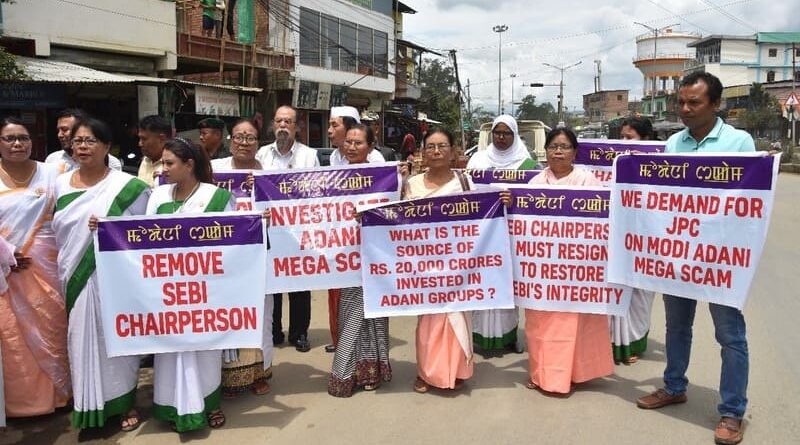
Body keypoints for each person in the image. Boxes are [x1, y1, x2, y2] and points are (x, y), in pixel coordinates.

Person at [636, 71, 755, 445]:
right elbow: (664, 196)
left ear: (716, 105)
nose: (684, 109)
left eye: (694, 103)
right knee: (677, 326)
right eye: (681, 103)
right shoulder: (673, 143)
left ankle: (732, 412)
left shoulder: (739, 142)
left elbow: (749, 202)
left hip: (720, 257)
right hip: (680, 253)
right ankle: (674, 386)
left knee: (729, 334)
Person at [52, 117, 150, 431]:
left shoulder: (128, 187)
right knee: (80, 340)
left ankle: (124, 403)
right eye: (78, 140)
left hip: (115, 279)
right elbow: (53, 233)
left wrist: (111, 227)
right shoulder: (60, 184)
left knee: (117, 340)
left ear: (107, 146)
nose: (83, 146)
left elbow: (146, 234)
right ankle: (88, 405)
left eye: (91, 141)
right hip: (75, 277)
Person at [147, 138, 234, 432]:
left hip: (204, 289)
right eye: (163, 162)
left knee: (205, 349)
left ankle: (209, 404)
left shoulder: (216, 197)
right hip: (167, 289)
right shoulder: (158, 196)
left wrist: (258, 223)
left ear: (189, 165)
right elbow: (141, 238)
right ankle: (172, 406)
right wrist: (103, 227)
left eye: (170, 163)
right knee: (169, 349)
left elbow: (233, 240)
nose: (164, 168)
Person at [521, 127, 614, 395]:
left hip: (575, 270)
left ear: (574, 152)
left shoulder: (589, 181)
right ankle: (541, 373)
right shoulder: (535, 183)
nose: (558, 151)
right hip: (541, 270)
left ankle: (573, 373)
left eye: (564, 146)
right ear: (546, 151)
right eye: (553, 146)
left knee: (572, 326)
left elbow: (602, 221)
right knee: (540, 325)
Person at [0, 118, 71, 419]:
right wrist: (6, 253)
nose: (18, 144)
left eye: (23, 138)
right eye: (9, 139)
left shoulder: (55, 173)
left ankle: (60, 395)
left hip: (48, 265)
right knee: (12, 336)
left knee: (53, 326)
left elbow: (71, 212)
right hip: (6, 270)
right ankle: (21, 403)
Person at [327, 124, 392, 397]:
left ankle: (372, 370)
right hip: (345, 255)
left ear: (370, 147)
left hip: (375, 253)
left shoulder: (382, 177)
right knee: (350, 315)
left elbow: (393, 211)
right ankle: (346, 373)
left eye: (358, 143)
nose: (352, 147)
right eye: (349, 142)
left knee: (374, 314)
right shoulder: (331, 177)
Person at [409, 128, 474, 394]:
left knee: (458, 316)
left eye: (442, 146)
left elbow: (482, 217)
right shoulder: (410, 185)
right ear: (422, 152)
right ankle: (427, 372)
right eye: (431, 147)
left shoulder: (466, 183)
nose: (436, 152)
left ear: (453, 151)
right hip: (423, 265)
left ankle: (457, 370)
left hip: (458, 265)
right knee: (428, 322)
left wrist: (503, 201)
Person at [212, 119, 274, 398]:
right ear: (229, 140)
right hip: (226, 258)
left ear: (258, 143)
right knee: (230, 315)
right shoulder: (215, 171)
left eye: (250, 138)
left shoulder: (269, 174)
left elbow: (287, 212)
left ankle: (260, 372)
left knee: (261, 315)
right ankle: (230, 376)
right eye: (239, 137)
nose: (244, 143)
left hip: (260, 257)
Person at [466, 115, 536, 355]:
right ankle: (480, 336)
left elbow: (535, 201)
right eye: (497, 132)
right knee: (482, 283)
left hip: (511, 234)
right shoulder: (478, 159)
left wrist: (515, 201)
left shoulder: (527, 164)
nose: (501, 137)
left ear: (515, 135)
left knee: (508, 284)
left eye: (507, 133)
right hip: (483, 234)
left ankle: (509, 336)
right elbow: (467, 193)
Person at [257, 106, 319, 353]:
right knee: (273, 282)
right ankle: (274, 331)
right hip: (270, 229)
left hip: (298, 229)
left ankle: (299, 332)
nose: (283, 126)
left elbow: (316, 193)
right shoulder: (262, 154)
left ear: (296, 127)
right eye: (279, 121)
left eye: (288, 122)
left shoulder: (308, 155)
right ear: (273, 125)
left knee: (299, 283)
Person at [610, 116, 657, 365]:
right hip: (616, 237)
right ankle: (612, 343)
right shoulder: (615, 162)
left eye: (629, 138)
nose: (623, 143)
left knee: (640, 294)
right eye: (621, 137)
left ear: (646, 140)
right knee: (615, 289)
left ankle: (634, 343)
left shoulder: (663, 163)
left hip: (646, 240)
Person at [45, 109, 122, 173]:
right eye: (58, 130)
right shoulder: (52, 159)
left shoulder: (110, 163)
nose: (60, 135)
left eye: (65, 130)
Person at [137, 115, 172, 187]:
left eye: (144, 139)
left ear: (162, 138)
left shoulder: (176, 167)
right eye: (140, 139)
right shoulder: (145, 160)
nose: (140, 144)